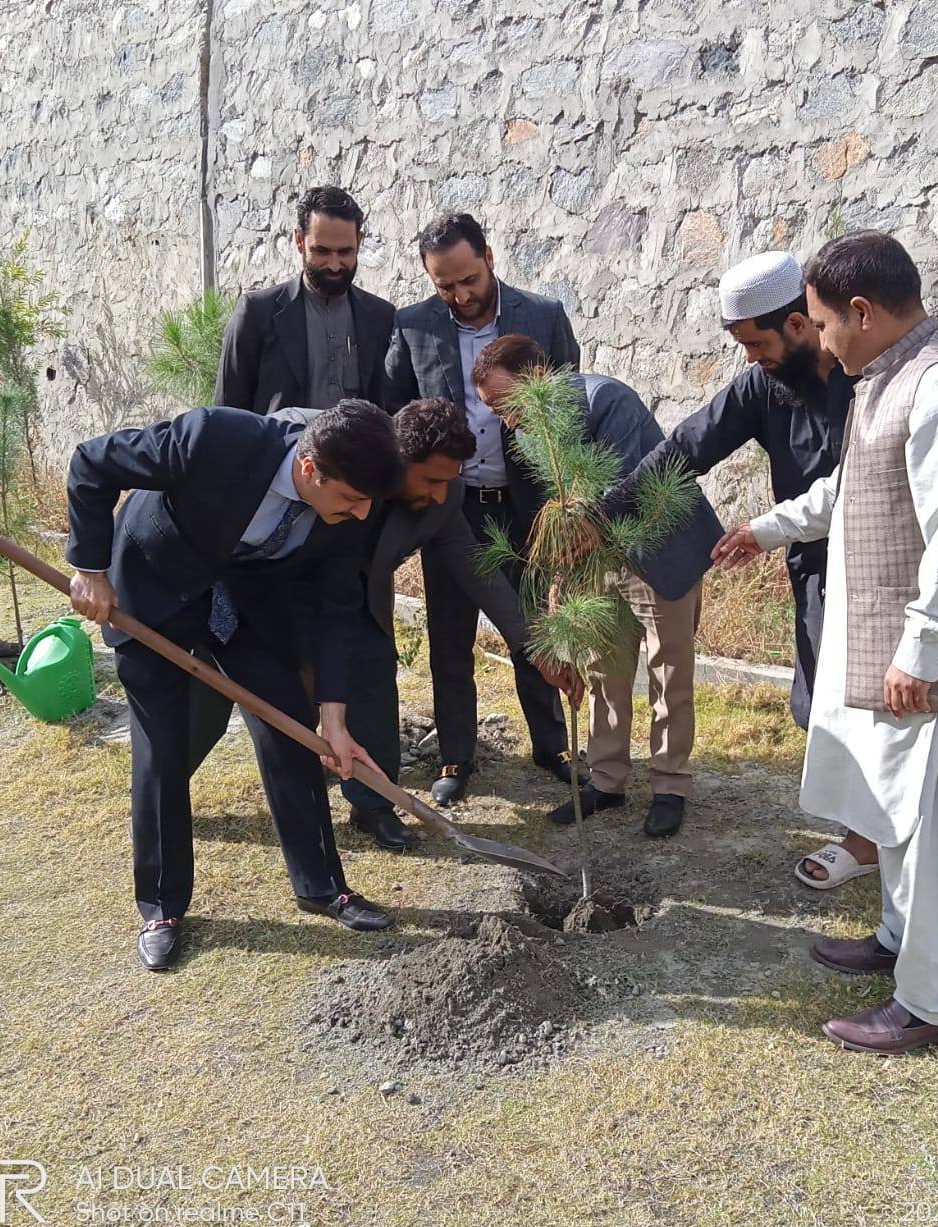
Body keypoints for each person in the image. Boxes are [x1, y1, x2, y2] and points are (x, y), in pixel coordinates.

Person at [713, 231, 938, 1055]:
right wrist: (767, 528)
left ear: (861, 311)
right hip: (902, 664)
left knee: (936, 833)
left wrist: (920, 653)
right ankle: (897, 942)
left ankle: (930, 1004)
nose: (817, 340)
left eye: (822, 323)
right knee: (897, 814)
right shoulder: (887, 379)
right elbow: (849, 492)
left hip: (937, 674)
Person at [66, 399, 406, 972]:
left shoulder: (349, 503)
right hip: (153, 590)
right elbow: (92, 463)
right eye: (350, 498)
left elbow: (336, 607)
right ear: (310, 469)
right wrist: (91, 568)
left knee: (292, 730)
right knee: (162, 751)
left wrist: (335, 716)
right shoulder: (214, 440)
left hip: (246, 602)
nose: (362, 512)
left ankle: (321, 885)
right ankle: (162, 906)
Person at [596, 252, 876, 884]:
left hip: (882, 564)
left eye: (757, 343)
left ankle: (880, 839)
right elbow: (687, 448)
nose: (751, 358)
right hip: (814, 565)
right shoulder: (764, 385)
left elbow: (853, 493)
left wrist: (764, 531)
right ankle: (866, 834)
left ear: (800, 326)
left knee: (876, 705)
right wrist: (606, 513)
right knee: (823, 703)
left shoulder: (870, 381)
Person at [190, 397, 579, 850]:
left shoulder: (442, 497)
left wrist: (534, 647)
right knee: (223, 700)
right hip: (277, 586)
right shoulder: (347, 458)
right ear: (397, 460)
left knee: (372, 670)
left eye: (447, 482)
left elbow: (476, 567)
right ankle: (167, 779)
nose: (439, 493)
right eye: (431, 479)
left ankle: (372, 804)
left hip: (355, 598)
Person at [473, 335, 722, 838]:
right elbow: (562, 515)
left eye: (506, 403)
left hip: (659, 547)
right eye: (494, 410)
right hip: (597, 560)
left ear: (538, 379)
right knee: (603, 669)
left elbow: (630, 490)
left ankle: (670, 786)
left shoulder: (608, 400)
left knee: (668, 670)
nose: (506, 420)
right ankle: (606, 779)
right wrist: (559, 589)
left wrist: (574, 551)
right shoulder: (529, 432)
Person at [384, 212, 581, 805]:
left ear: (489, 257)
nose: (460, 295)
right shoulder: (413, 326)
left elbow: (567, 409)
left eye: (468, 279)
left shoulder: (542, 317)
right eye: (445, 285)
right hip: (451, 509)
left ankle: (551, 745)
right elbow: (396, 412)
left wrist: (564, 498)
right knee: (449, 633)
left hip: (527, 505)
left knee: (533, 624)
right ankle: (454, 754)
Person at [215, 186, 393, 413]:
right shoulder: (257, 314)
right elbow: (227, 414)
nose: (334, 264)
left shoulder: (381, 317)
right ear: (299, 241)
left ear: (359, 241)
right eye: (322, 251)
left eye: (345, 252)